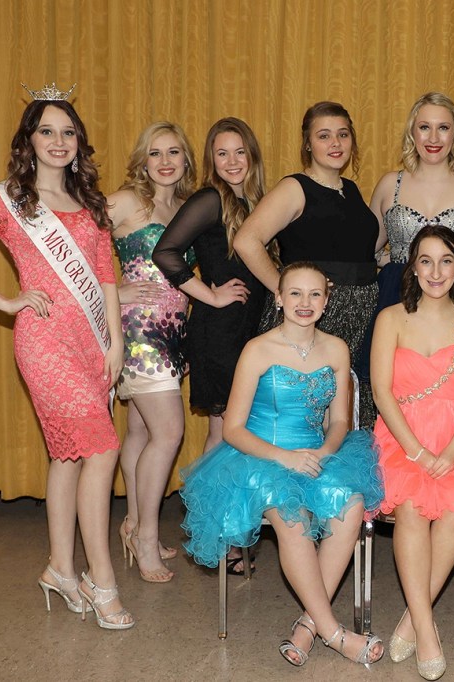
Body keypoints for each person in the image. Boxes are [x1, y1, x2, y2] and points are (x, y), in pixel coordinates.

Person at [0, 85, 133, 629]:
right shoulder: (6, 200)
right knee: (102, 449)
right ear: (29, 139)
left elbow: (106, 277)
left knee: (68, 456)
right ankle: (102, 579)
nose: (58, 141)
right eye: (47, 130)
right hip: (44, 343)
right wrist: (7, 302)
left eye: (68, 132)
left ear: (79, 142)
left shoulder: (91, 204)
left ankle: (60, 569)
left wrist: (115, 342)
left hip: (93, 342)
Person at [179, 262, 385, 667]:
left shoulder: (336, 349)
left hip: (316, 452)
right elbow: (233, 429)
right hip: (260, 456)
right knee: (292, 519)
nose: (304, 302)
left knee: (352, 504)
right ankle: (335, 634)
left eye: (314, 294)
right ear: (278, 298)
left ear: (326, 301)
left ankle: (307, 625)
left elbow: (340, 422)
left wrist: (324, 453)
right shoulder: (258, 349)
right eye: (295, 293)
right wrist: (284, 457)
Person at [371, 226, 454, 680]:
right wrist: (418, 453)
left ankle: (411, 618)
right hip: (401, 435)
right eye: (426, 261)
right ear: (413, 267)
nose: (436, 271)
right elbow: (382, 393)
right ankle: (426, 631)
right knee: (409, 508)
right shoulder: (390, 319)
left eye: (446, 261)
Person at [152, 118, 266, 576]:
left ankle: (227, 535)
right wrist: (210, 294)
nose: (232, 162)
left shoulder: (257, 200)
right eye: (222, 153)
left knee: (239, 434)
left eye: (240, 152)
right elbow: (165, 252)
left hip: (251, 331)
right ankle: (215, 538)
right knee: (224, 435)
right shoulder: (210, 199)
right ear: (210, 160)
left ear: (252, 155)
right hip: (220, 332)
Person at [234, 102, 379, 419]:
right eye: (324, 135)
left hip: (359, 317)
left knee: (347, 416)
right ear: (308, 144)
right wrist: (286, 293)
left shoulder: (350, 189)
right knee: (304, 415)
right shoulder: (295, 187)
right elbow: (246, 241)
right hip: (314, 315)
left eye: (343, 134)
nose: (335, 143)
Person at [107, 121, 196, 583]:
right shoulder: (125, 201)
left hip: (174, 333)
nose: (165, 162)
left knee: (141, 432)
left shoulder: (184, 207)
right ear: (142, 161)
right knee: (169, 432)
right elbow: (75, 245)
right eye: (155, 153)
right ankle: (145, 539)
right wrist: (113, 292)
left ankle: (134, 523)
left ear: (185, 160)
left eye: (173, 152)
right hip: (139, 332)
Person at [369, 91, 454, 331]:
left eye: (443, 128)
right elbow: (365, 250)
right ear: (412, 132)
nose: (434, 138)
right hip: (396, 295)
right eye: (425, 127)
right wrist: (399, 264)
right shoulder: (389, 185)